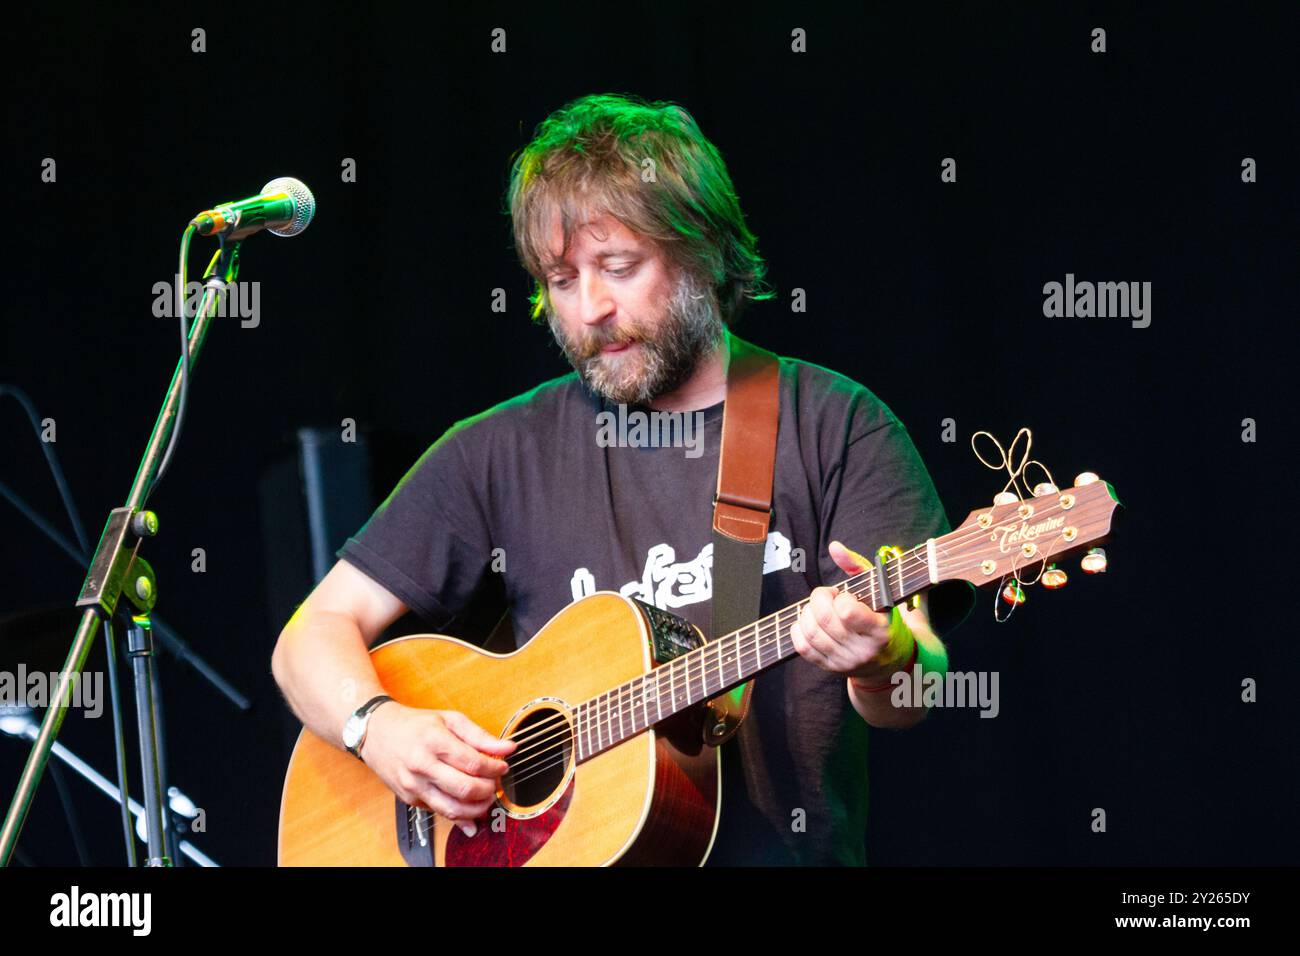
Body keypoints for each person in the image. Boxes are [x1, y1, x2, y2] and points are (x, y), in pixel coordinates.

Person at [271, 93, 971, 865]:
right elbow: (308, 639)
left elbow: (916, 695)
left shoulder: (836, 424)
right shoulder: (497, 451)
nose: (591, 309)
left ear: (702, 251)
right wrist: (379, 727)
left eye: (619, 267)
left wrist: (885, 657)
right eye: (562, 280)